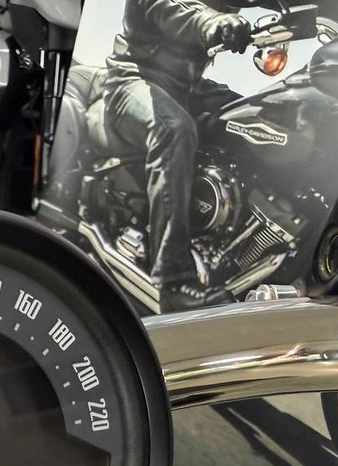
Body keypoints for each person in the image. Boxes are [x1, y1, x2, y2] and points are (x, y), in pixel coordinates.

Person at [102, 1, 252, 312]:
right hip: (134, 80)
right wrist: (213, 22)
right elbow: (173, 8)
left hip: (189, 88)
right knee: (174, 129)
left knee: (256, 117)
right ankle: (173, 280)